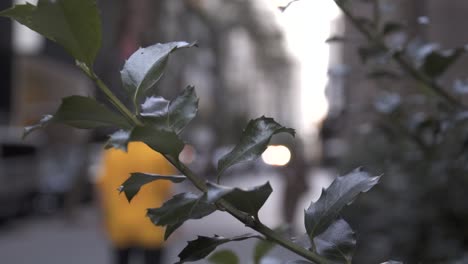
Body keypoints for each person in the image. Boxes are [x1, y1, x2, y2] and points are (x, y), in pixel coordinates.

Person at [95, 141, 175, 264]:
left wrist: (103, 218)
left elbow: (102, 187)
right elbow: (167, 190)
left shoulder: (111, 152)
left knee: (121, 259)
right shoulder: (156, 153)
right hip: (151, 223)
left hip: (120, 221)